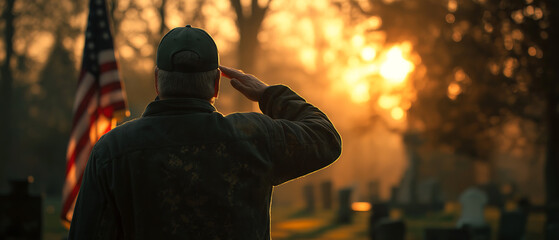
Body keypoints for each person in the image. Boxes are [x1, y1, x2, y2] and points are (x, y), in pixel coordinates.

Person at [68, 25, 342, 239]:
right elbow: (325, 137)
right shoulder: (253, 138)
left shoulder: (113, 150)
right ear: (215, 86)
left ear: (156, 81)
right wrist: (268, 94)